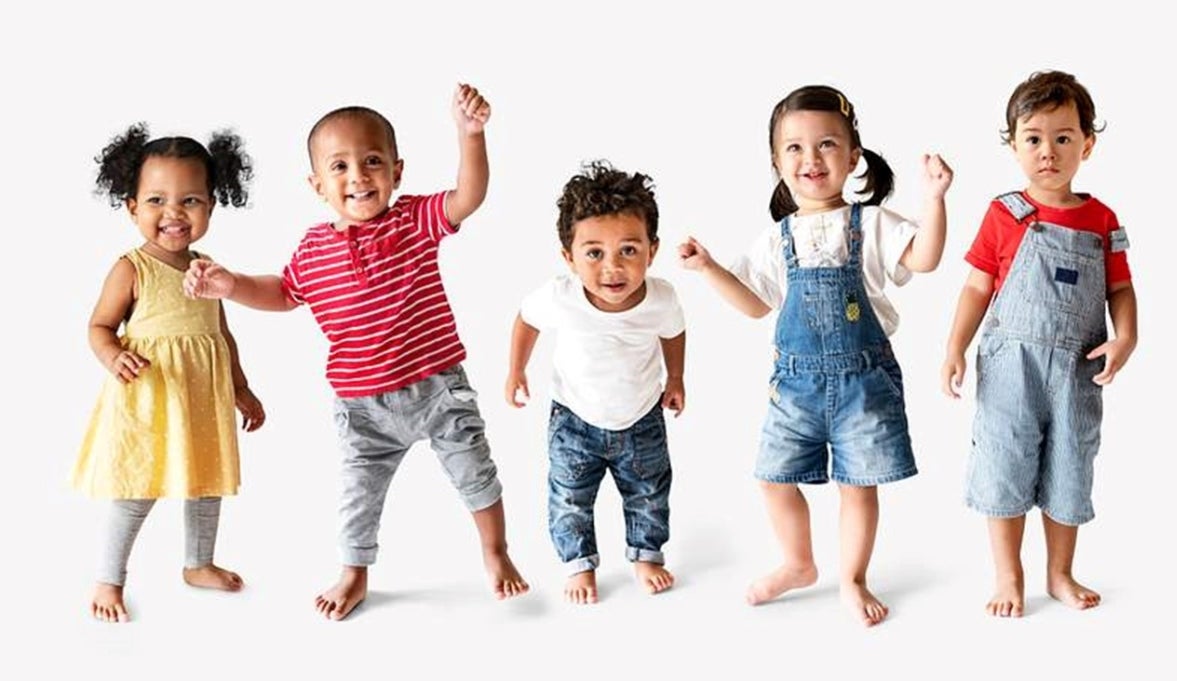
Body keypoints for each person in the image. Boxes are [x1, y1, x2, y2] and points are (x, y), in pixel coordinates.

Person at [184, 84, 527, 620]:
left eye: (372, 162)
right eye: (339, 167)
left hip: (437, 386)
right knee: (357, 497)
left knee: (476, 472)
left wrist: (471, 135)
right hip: (363, 405)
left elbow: (469, 195)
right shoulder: (313, 250)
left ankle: (495, 551)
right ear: (317, 184)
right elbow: (283, 293)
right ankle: (355, 570)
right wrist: (231, 285)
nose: (358, 176)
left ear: (397, 171)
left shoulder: (414, 220)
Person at [679, 85, 952, 626]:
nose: (811, 159)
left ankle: (852, 578)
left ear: (853, 156)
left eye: (827, 144)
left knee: (858, 485)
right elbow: (756, 306)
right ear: (777, 162)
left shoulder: (872, 223)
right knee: (772, 477)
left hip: (863, 384)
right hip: (796, 388)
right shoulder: (776, 238)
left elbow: (924, 259)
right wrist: (709, 268)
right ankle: (799, 563)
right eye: (796, 148)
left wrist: (935, 199)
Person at [941, 70, 1137, 618]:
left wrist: (1127, 337)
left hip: (1079, 367)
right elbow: (977, 285)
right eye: (1033, 138)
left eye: (1063, 137)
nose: (1047, 151)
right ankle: (1009, 575)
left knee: (1071, 464)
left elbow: (1121, 289)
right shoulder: (1006, 213)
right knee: (1003, 462)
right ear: (1013, 144)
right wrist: (955, 346)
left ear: (1087, 144)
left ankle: (1060, 572)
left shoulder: (1103, 220)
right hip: (1012, 367)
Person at [72, 124, 265, 623]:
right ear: (131, 207)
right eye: (156, 199)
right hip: (150, 400)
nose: (173, 213)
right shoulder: (132, 268)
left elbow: (222, 335)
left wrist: (241, 388)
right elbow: (98, 326)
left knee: (206, 484)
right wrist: (113, 355)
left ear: (212, 206)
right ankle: (109, 579)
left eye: (191, 200)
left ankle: (198, 564)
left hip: (201, 398)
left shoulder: (207, 268)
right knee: (137, 490)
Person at [506, 161, 685, 604]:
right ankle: (578, 563)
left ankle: (646, 554)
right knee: (569, 495)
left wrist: (676, 377)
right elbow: (526, 320)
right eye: (594, 253)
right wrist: (516, 370)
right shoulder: (560, 297)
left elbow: (674, 331)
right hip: (574, 419)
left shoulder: (661, 298)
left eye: (629, 250)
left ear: (652, 249)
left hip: (642, 416)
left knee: (648, 489)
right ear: (569, 256)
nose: (612, 268)